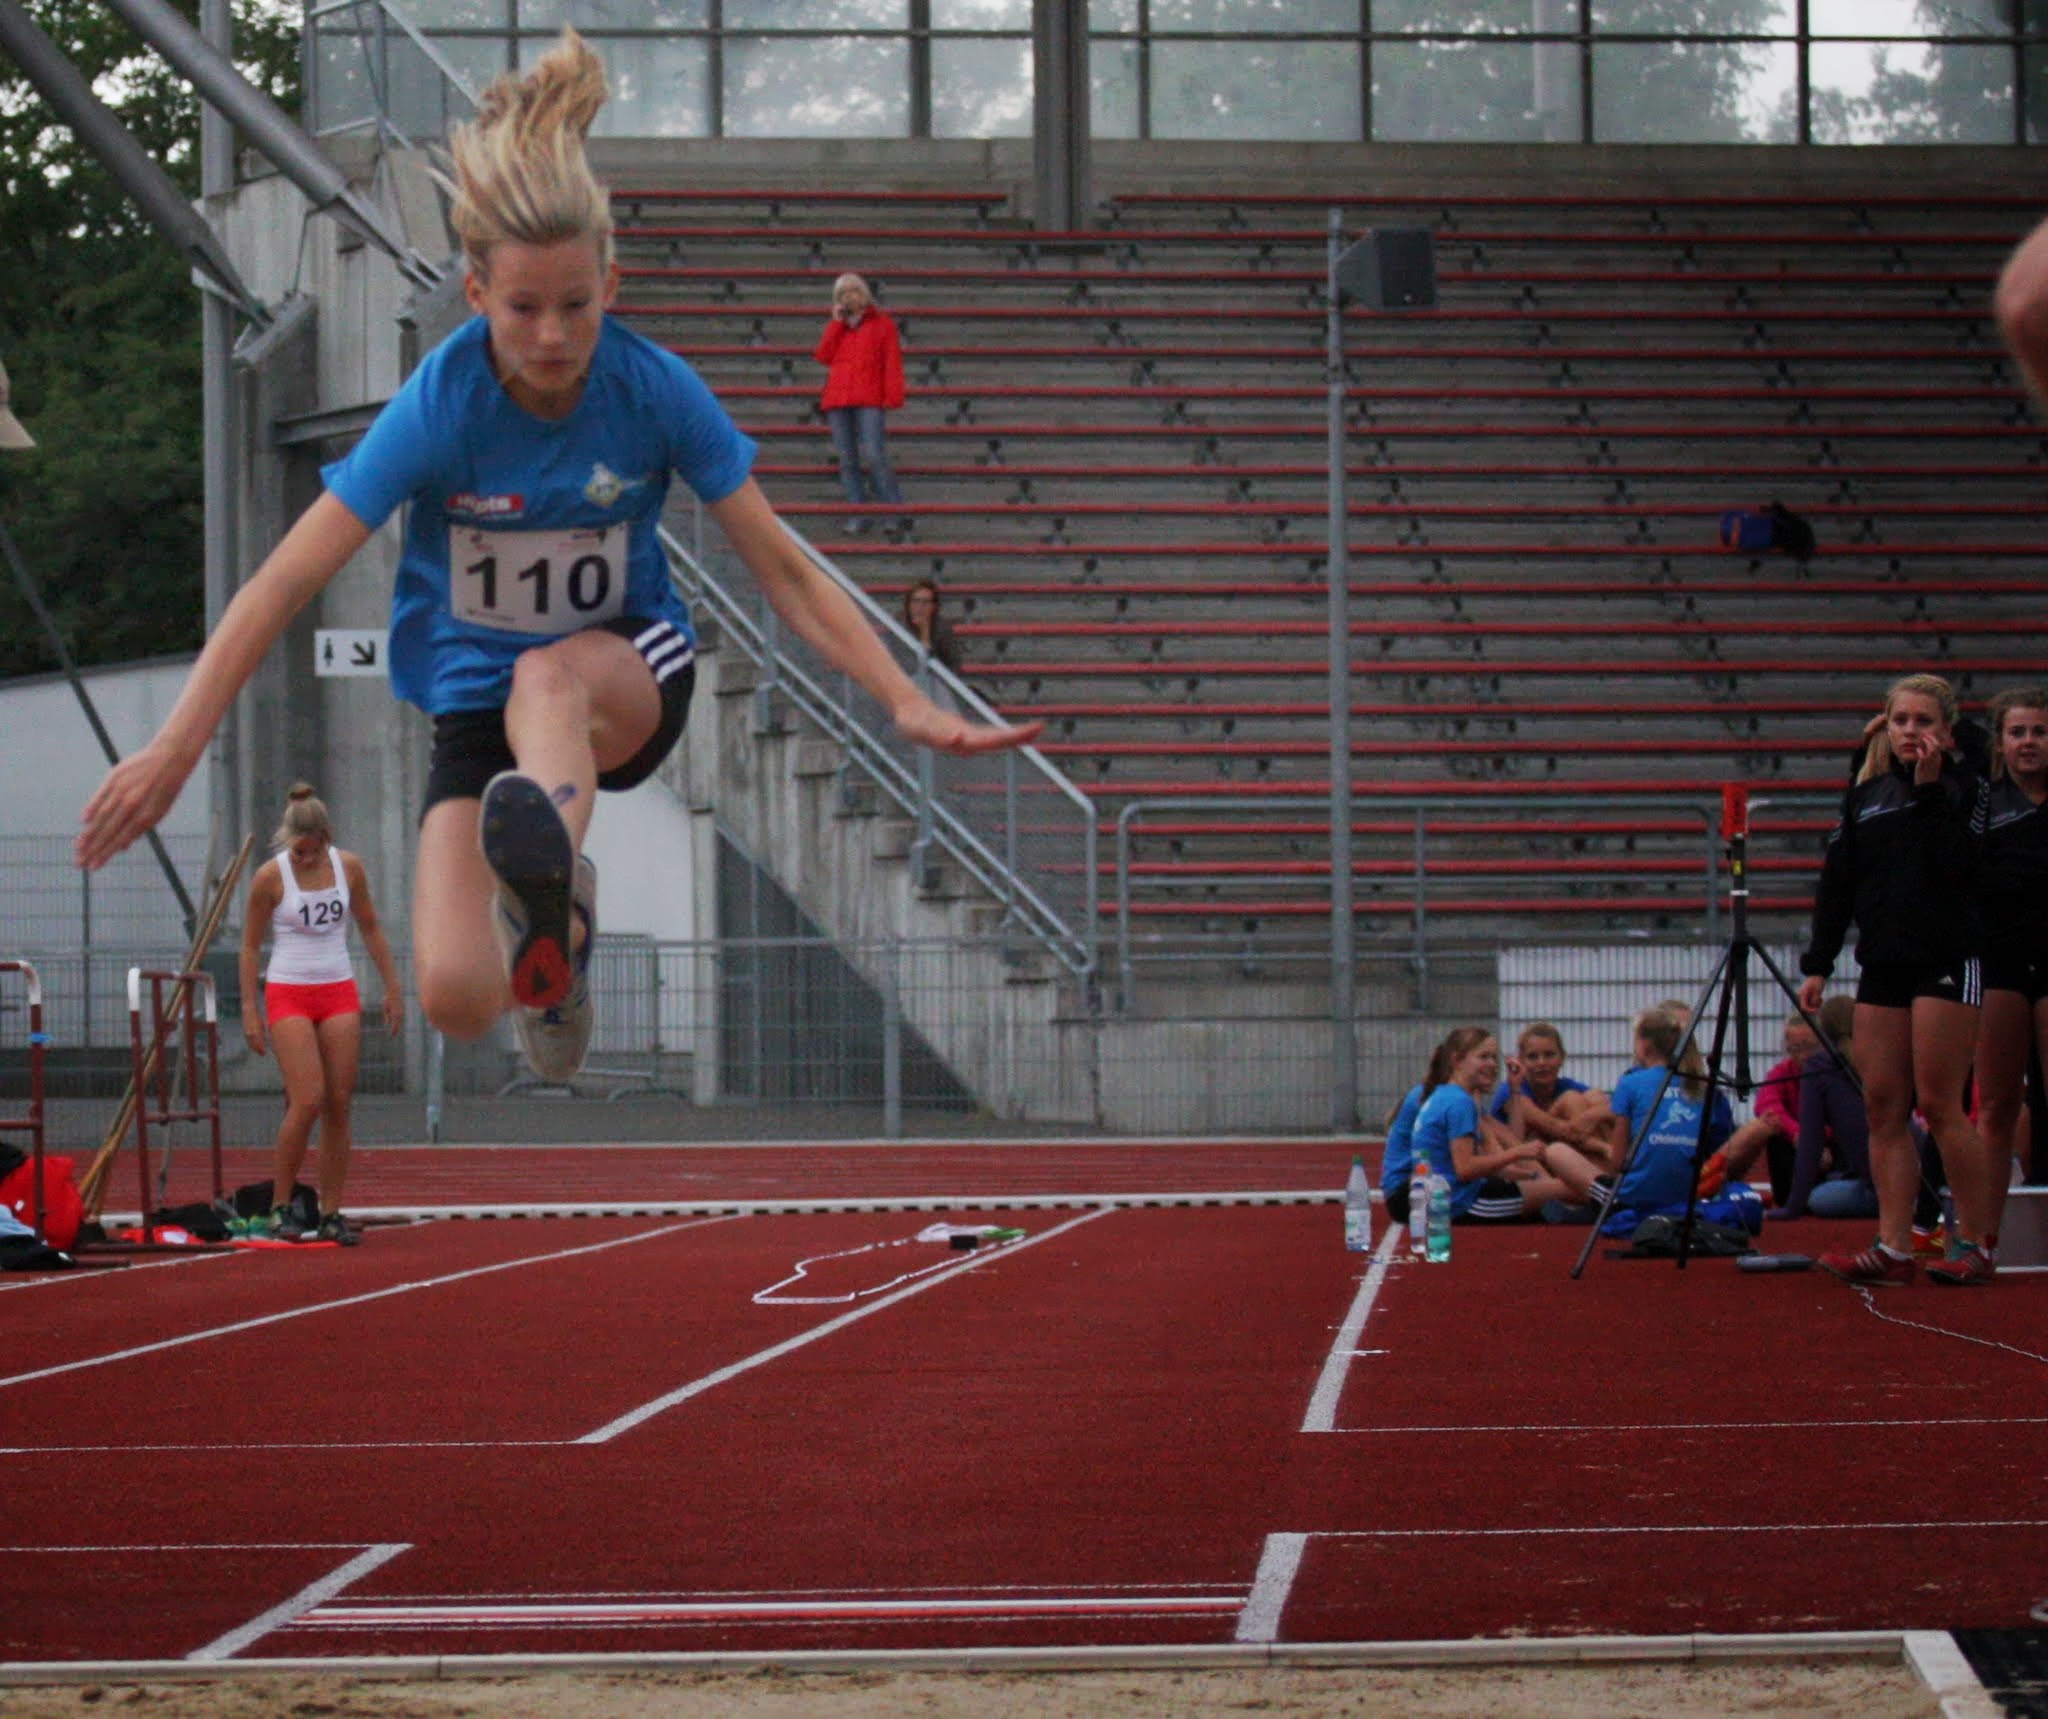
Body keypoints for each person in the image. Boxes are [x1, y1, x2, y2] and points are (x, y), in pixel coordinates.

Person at [74, 31, 1039, 1088]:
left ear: (611, 285)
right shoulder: (441, 406)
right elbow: (285, 579)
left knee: (547, 675)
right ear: (475, 292)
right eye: (522, 308)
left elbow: (789, 574)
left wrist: (901, 696)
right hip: (475, 701)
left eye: (575, 305)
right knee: (454, 996)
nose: (550, 336)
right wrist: (176, 748)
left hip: (623, 675)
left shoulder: (654, 391)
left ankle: (543, 868)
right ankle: (556, 938)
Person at [1799, 673, 1996, 1286]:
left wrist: (1932, 786)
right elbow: (1838, 882)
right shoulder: (1867, 795)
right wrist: (1818, 962)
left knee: (1939, 1104)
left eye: (1924, 721)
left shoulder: (1966, 787)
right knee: (1883, 1105)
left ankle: (1975, 1243)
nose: (1912, 732)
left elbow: (1961, 868)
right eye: (1901, 721)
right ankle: (1894, 1246)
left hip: (1945, 958)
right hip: (1882, 962)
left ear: (1947, 730)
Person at [237, 784, 403, 1244]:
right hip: (289, 990)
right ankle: (279, 1206)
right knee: (307, 1098)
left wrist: (393, 988)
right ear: (287, 840)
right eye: (299, 851)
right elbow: (249, 946)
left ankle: (330, 1211)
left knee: (338, 1103)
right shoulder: (270, 878)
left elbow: (370, 927)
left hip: (337, 989)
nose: (306, 859)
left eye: (313, 850)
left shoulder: (348, 868)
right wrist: (250, 1009)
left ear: (326, 838)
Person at [1973, 685, 2048, 1250]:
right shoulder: (1983, 805)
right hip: (1999, 962)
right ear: (1999, 742)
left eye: (2040, 731)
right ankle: (1983, 1239)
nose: (2029, 742)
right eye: (2017, 732)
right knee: (1998, 1104)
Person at [1411, 1027, 1608, 1224]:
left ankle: (1592, 1203)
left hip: (1450, 1196)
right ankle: (1610, 1203)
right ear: (1457, 1061)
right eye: (1483, 1057)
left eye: (1493, 1058)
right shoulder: (1460, 1102)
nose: (1492, 1064)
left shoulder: (1446, 1095)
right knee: (1572, 1186)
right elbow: (1465, 1169)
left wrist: (1529, 1173)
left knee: (1564, 1184)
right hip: (1465, 1202)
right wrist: (1520, 1153)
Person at [1602, 1004, 1736, 1216]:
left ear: (1645, 1045)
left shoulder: (1630, 1082)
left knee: (1560, 1154)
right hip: (1689, 1196)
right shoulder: (1701, 1086)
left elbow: (1618, 1162)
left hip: (1635, 1198)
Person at [814, 271, 906, 533]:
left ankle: (893, 512)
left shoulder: (883, 324)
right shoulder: (839, 327)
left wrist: (893, 395)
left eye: (853, 291)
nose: (849, 297)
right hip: (838, 399)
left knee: (874, 454)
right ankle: (859, 514)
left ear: (864, 294)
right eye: (843, 293)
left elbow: (892, 362)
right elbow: (823, 356)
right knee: (847, 460)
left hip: (869, 398)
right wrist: (835, 324)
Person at [1703, 1012, 1821, 1203]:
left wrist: (1816, 1140)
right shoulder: (1782, 1072)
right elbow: (1766, 1106)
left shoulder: (1831, 1072)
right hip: (1797, 1147)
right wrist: (1798, 1134)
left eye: (1810, 1048)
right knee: (1766, 1126)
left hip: (1826, 1150)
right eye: (1795, 1049)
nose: (1803, 1056)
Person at [1493, 1021, 1611, 1162]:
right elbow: (1558, 1128)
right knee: (1571, 1100)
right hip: (1519, 1165)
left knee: (1595, 1100)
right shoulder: (1512, 1089)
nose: (1541, 1063)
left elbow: (1613, 1107)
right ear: (1521, 1061)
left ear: (1562, 1058)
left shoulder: (1564, 1085)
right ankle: (1604, 1169)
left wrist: (1590, 1116)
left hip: (1556, 1155)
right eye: (1532, 1057)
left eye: (1549, 1055)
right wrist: (1605, 1147)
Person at [1379, 1034, 1454, 1226]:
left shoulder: (1446, 1096)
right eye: (1483, 1057)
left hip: (1414, 1185)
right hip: (1407, 1190)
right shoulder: (1436, 1099)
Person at [901, 578, 963, 679]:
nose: (920, 607)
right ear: (908, 604)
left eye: (925, 602)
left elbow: (953, 665)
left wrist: (925, 632)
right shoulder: (897, 626)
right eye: (916, 601)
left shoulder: (942, 629)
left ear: (934, 606)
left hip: (935, 683)